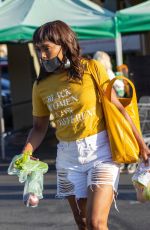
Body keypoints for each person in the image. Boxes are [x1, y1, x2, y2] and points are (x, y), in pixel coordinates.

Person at [21, 20, 150, 230]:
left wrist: (141, 145)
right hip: (68, 157)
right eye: (38, 50)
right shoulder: (40, 86)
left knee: (96, 223)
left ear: (64, 44)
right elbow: (38, 127)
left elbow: (119, 107)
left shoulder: (92, 69)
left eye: (47, 48)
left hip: (101, 152)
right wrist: (26, 153)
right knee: (82, 223)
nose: (42, 56)